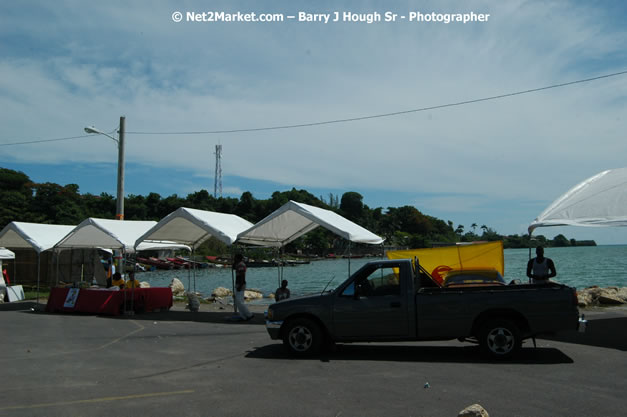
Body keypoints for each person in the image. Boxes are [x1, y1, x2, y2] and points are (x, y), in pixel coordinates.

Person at [233, 254, 253, 320]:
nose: (234, 259)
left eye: (235, 258)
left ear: (238, 258)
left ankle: (248, 314)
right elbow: (233, 267)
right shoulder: (238, 264)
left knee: (239, 301)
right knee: (238, 301)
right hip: (238, 283)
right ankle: (243, 315)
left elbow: (242, 276)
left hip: (240, 284)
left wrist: (240, 285)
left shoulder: (241, 265)